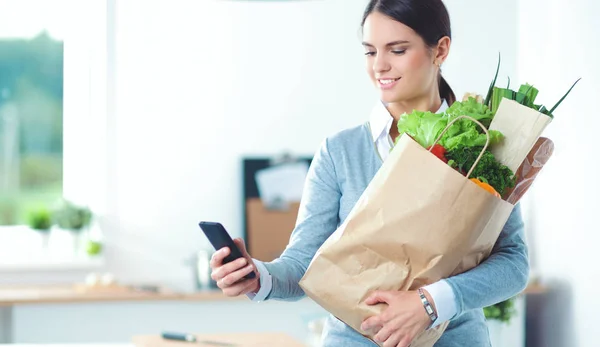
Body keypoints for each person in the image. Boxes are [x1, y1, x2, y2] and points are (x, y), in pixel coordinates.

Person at [209, 0, 529, 346]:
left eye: (397, 49)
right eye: (369, 51)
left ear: (441, 50)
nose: (380, 66)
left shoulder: (484, 146)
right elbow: (305, 263)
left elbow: (513, 264)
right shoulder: (340, 152)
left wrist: (432, 302)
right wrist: (259, 276)